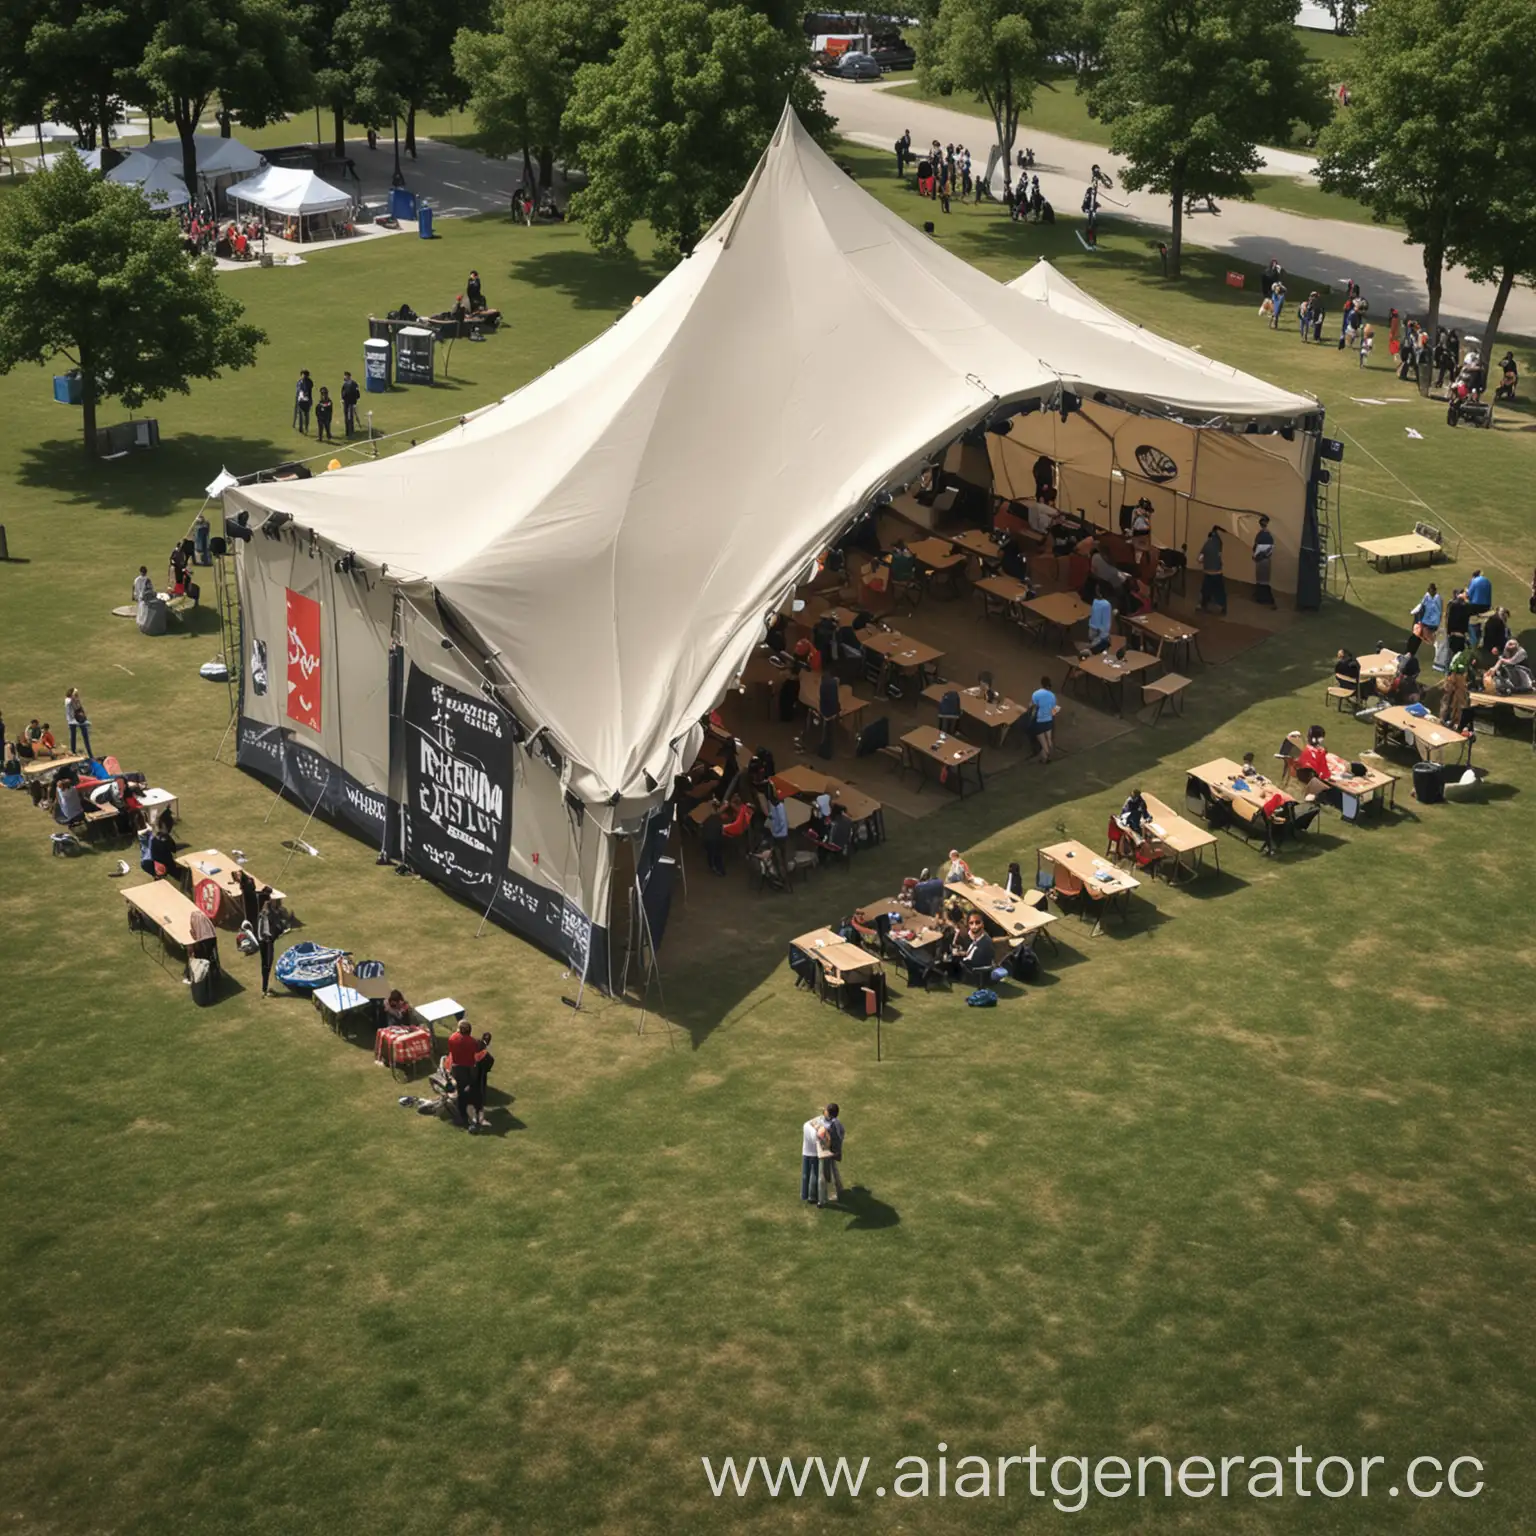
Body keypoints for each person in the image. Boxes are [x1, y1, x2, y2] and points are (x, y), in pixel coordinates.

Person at [444, 1019, 489, 1131]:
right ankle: (470, 1112)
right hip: (468, 1068)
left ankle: (462, 1112)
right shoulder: (472, 1042)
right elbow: (476, 1055)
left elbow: (451, 1052)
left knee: (460, 1088)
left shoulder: (452, 1038)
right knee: (470, 1089)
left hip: (456, 1068)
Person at [1028, 675, 1060, 764]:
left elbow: (1032, 707)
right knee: (1049, 739)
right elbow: (1055, 708)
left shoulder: (1036, 694)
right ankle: (1046, 757)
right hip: (1048, 720)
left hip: (1040, 722)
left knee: (1043, 742)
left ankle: (1047, 756)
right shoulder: (1052, 696)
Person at [764, 788, 791, 888]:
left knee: (780, 856)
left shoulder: (780, 807)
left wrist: (775, 830)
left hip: (780, 835)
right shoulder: (774, 806)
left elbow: (782, 822)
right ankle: (780, 875)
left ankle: (784, 877)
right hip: (777, 834)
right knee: (776, 856)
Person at [1197, 526, 1227, 615]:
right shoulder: (1219, 543)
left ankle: (1203, 605)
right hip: (1218, 572)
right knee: (1220, 591)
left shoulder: (1206, 545)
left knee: (1205, 589)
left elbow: (1199, 559)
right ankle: (1222, 607)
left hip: (1208, 572)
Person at [1405, 582, 1440, 655]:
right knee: (1415, 639)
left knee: (1416, 639)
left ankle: (1409, 654)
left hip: (1420, 623)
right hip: (1420, 623)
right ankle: (1409, 654)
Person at [820, 1104, 845, 1204]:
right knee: (833, 1169)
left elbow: (825, 1134)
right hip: (834, 1151)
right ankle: (839, 1188)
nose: (824, 1111)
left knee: (828, 1173)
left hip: (830, 1152)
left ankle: (832, 1194)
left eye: (825, 1110)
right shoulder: (836, 1122)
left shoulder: (831, 1125)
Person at [801, 1114, 828, 1205]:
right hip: (814, 1154)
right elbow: (816, 1140)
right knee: (815, 1175)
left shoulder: (806, 1125)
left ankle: (804, 1194)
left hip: (806, 1152)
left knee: (806, 1175)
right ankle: (813, 1196)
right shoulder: (815, 1133)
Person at [1251, 517, 1276, 607]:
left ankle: (1261, 597)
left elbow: (1255, 547)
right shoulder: (1270, 536)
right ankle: (1266, 598)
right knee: (1265, 580)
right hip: (1267, 560)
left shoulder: (1260, 535)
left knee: (1260, 579)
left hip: (1260, 560)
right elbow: (1271, 548)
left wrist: (1255, 555)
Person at [817, 669, 840, 759]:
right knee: (828, 733)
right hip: (830, 712)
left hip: (826, 711)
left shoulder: (824, 684)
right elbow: (834, 700)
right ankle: (826, 753)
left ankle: (824, 751)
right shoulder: (832, 685)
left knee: (826, 732)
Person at [340, 371, 361, 436]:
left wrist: (355, 402)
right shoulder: (344, 384)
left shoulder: (354, 384)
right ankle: (348, 431)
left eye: (345, 376)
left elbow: (357, 394)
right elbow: (343, 393)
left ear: (348, 376)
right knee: (347, 417)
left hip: (351, 402)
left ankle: (351, 429)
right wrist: (342, 399)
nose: (344, 377)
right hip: (346, 402)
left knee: (350, 416)